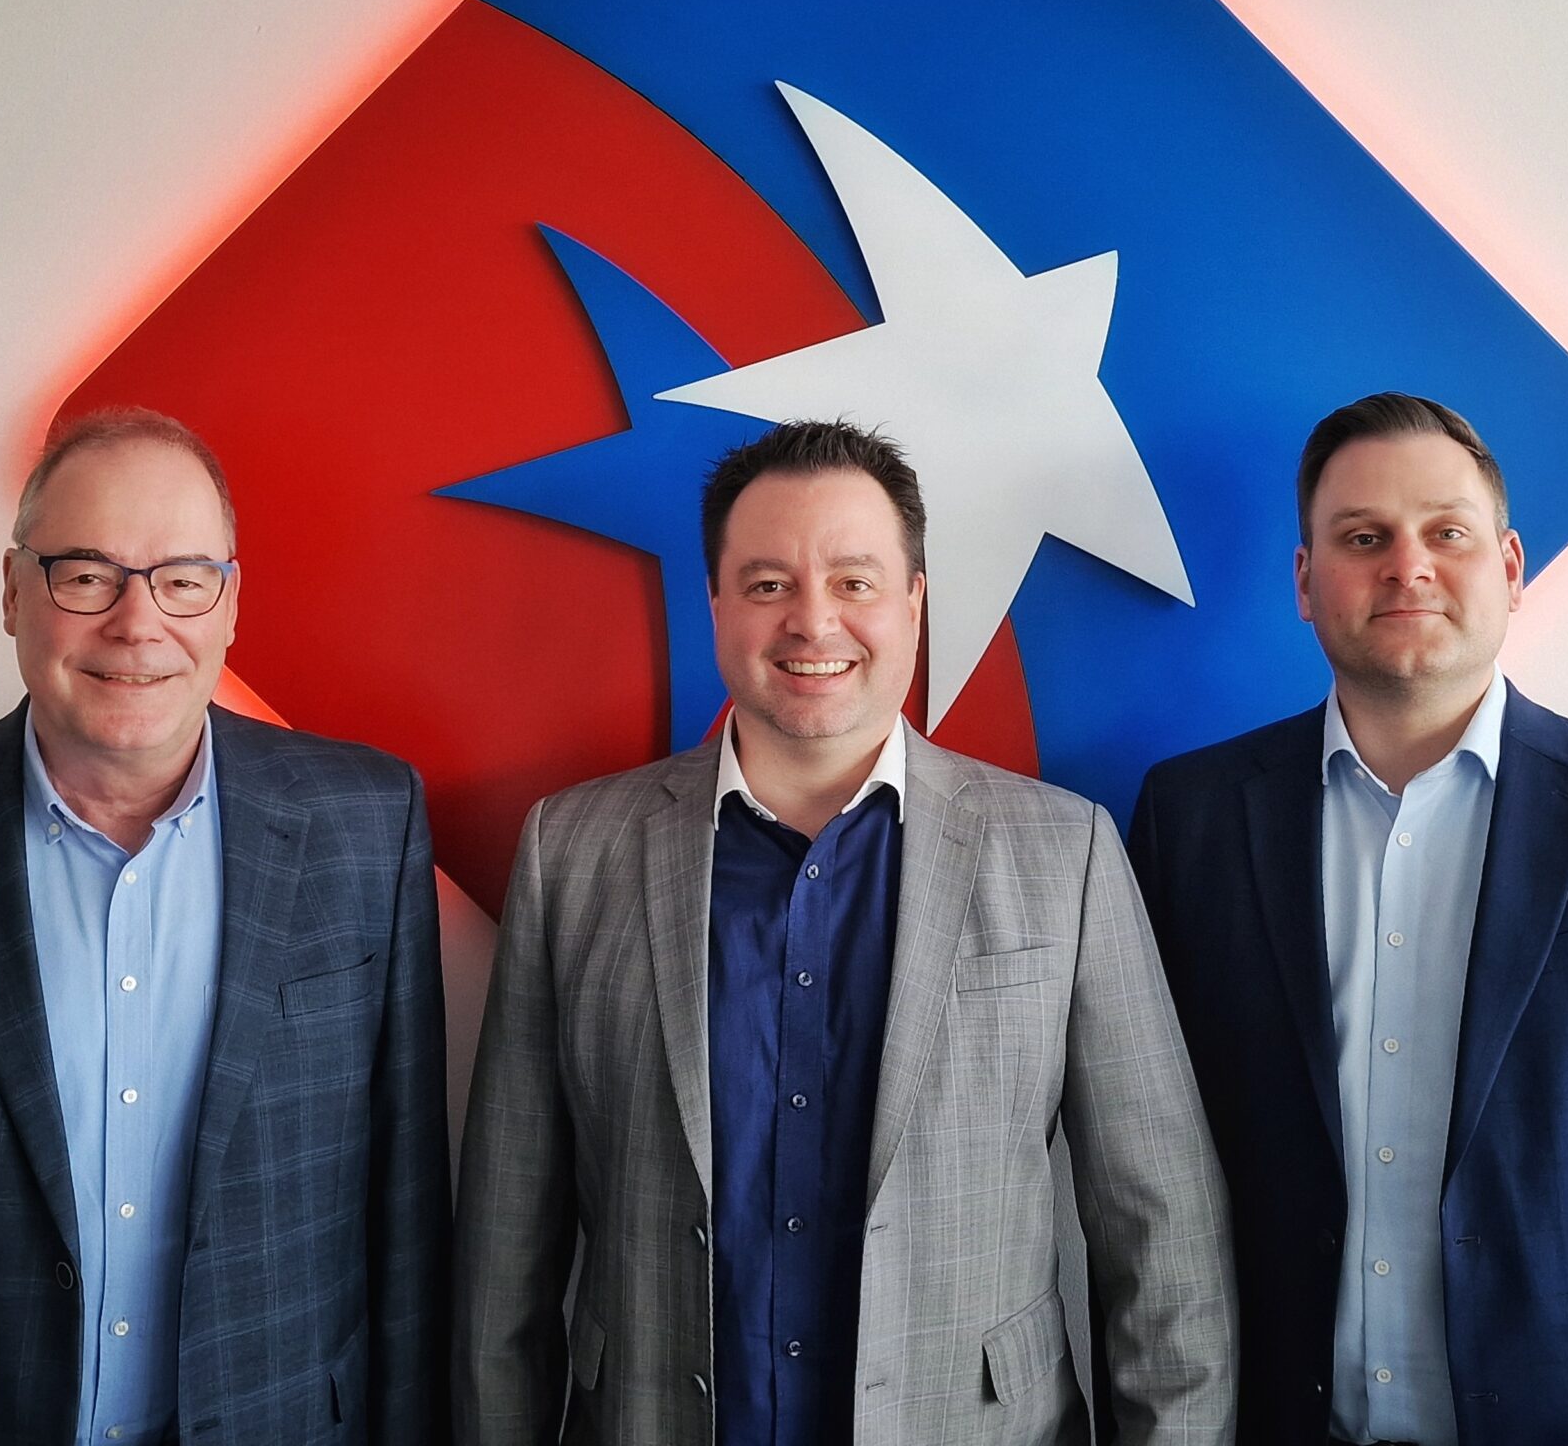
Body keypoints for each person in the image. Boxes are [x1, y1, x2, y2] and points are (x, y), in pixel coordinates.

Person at [453, 420, 1234, 1446]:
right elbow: (505, 1242)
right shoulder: (572, 851)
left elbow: (1163, 1236)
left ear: (913, 601)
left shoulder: (1066, 852)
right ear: (717, 604)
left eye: (854, 581)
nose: (812, 620)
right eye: (768, 583)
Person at [0, 408, 451, 1446]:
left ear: (231, 605)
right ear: (13, 593)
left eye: (183, 578)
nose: (138, 624)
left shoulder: (368, 824)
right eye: (87, 575)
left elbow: (406, 1219)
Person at [1130, 393, 1568, 1446]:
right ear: (1304, 583)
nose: (1407, 567)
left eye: (1446, 533)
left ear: (1508, 567)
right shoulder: (1188, 820)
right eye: (1362, 538)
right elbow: (1139, 1172)